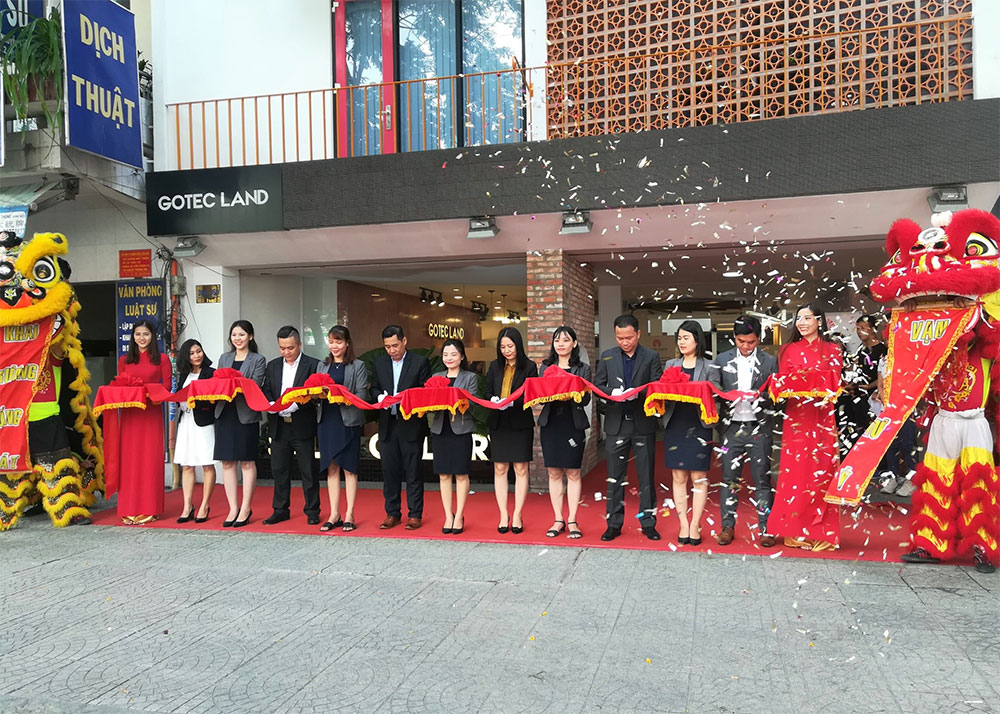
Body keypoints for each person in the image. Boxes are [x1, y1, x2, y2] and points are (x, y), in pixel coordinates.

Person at [769, 304, 843, 551]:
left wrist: (809, 378)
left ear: (819, 321)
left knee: (822, 470)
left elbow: (835, 381)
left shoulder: (833, 349)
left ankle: (821, 532)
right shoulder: (787, 349)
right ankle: (795, 531)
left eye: (807, 318)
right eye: (798, 318)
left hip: (822, 418)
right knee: (796, 472)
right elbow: (783, 382)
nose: (801, 322)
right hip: (797, 419)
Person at [595, 314, 662, 542]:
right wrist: (612, 393)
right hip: (616, 423)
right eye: (620, 338)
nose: (624, 342)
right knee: (615, 477)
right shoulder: (607, 356)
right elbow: (598, 386)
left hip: (642, 423)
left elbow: (657, 386)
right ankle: (613, 524)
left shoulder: (651, 356)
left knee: (646, 478)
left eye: (629, 338)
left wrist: (638, 393)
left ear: (638, 334)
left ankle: (648, 523)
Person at [714, 315, 778, 547]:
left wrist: (760, 397)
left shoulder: (770, 361)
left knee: (762, 478)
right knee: (729, 479)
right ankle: (727, 526)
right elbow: (715, 389)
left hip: (759, 426)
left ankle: (766, 528)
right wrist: (726, 395)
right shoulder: (722, 359)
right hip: (731, 428)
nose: (746, 346)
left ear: (758, 339)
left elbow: (777, 394)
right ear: (734, 338)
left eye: (751, 342)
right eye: (741, 341)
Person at [661, 320, 721, 546]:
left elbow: (717, 395)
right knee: (678, 477)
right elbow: (663, 392)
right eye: (679, 338)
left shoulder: (710, 366)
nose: (682, 342)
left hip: (699, 426)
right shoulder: (671, 364)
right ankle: (683, 524)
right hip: (675, 424)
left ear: (697, 340)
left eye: (686, 337)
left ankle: (695, 523)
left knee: (698, 478)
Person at [371, 325, 432, 530]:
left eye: (395, 345)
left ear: (404, 341)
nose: (392, 350)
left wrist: (407, 399)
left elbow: (425, 391)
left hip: (411, 424)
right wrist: (380, 396)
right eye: (387, 346)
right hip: (388, 424)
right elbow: (374, 388)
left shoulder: (420, 362)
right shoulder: (379, 363)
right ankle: (392, 513)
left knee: (413, 471)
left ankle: (415, 514)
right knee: (389, 471)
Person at [261, 326, 320, 526]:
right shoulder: (273, 365)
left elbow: (316, 395)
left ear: (299, 344)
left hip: (302, 424)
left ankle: (312, 510)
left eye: (290, 348)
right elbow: (266, 389)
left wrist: (299, 403)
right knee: (279, 470)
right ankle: (280, 510)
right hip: (279, 425)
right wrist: (271, 404)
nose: (286, 352)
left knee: (308, 470)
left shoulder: (313, 365)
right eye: (282, 348)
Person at [116, 320, 173, 524]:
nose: (142, 338)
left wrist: (144, 391)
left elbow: (166, 387)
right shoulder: (124, 360)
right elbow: (120, 385)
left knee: (150, 459)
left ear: (153, 336)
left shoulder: (162, 359)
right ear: (133, 337)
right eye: (138, 334)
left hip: (151, 413)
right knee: (129, 460)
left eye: (146, 334)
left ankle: (150, 508)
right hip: (130, 415)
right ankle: (129, 508)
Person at [538, 325, 592, 540]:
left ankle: (573, 520)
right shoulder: (545, 367)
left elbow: (586, 399)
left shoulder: (583, 368)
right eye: (557, 340)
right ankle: (558, 519)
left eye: (566, 340)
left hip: (573, 423)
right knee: (553, 473)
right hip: (551, 424)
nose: (560, 344)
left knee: (573, 473)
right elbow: (540, 397)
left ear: (574, 343)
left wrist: (571, 391)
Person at [214, 320, 267, 528]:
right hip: (224, 413)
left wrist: (234, 384)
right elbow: (217, 383)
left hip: (246, 414)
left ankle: (245, 507)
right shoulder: (224, 358)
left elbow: (255, 385)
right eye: (234, 335)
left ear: (250, 336)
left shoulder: (258, 359)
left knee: (246, 462)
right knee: (227, 463)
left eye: (242, 334)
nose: (238, 338)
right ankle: (233, 508)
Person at [485, 326, 537, 535]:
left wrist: (512, 402)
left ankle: (517, 514)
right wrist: (493, 399)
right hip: (499, 422)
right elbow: (487, 390)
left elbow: (531, 394)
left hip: (519, 422)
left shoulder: (530, 367)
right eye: (502, 347)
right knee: (499, 468)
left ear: (518, 345)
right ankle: (503, 514)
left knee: (521, 468)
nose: (506, 350)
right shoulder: (494, 366)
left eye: (510, 346)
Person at [316, 325, 368, 532]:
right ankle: (334, 514)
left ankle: (349, 514)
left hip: (348, 421)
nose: (334, 346)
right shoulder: (322, 365)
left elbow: (362, 395)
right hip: (326, 421)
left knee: (349, 468)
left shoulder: (358, 365)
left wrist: (340, 396)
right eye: (331, 342)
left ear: (347, 343)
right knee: (331, 468)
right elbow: (314, 392)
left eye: (338, 342)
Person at [430, 339, 479, 535]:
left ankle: (459, 515)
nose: (449, 358)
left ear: (462, 356)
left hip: (461, 429)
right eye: (445, 355)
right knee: (443, 474)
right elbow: (429, 403)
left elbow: (473, 403)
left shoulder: (470, 377)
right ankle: (448, 515)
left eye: (453, 354)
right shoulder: (436, 377)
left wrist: (456, 400)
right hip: (440, 429)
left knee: (461, 473)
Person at [170, 339, 217, 524]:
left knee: (207, 464)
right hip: (186, 422)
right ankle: (187, 506)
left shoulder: (211, 373)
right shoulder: (183, 374)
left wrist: (197, 401)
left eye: (199, 351)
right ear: (186, 356)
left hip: (204, 422)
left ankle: (205, 505)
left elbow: (214, 399)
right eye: (192, 353)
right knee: (187, 465)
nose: (197, 355)